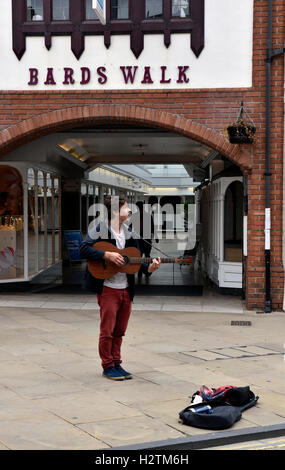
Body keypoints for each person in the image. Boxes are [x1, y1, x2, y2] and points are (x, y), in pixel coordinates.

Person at [79, 194, 161, 381]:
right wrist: (106, 254)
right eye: (126, 207)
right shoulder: (99, 229)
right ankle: (107, 365)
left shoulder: (131, 232)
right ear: (116, 210)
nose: (129, 210)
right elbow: (82, 249)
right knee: (107, 330)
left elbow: (135, 259)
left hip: (126, 288)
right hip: (108, 287)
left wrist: (150, 267)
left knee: (120, 330)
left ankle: (116, 362)